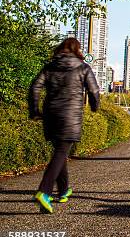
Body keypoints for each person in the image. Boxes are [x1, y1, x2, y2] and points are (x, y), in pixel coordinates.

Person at [29, 38, 100, 214]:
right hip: (70, 116)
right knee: (61, 152)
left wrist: (34, 111)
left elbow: (34, 88)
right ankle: (44, 191)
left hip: (50, 115)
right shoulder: (83, 67)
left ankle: (62, 190)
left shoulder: (50, 67)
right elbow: (94, 90)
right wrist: (95, 106)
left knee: (60, 152)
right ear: (77, 50)